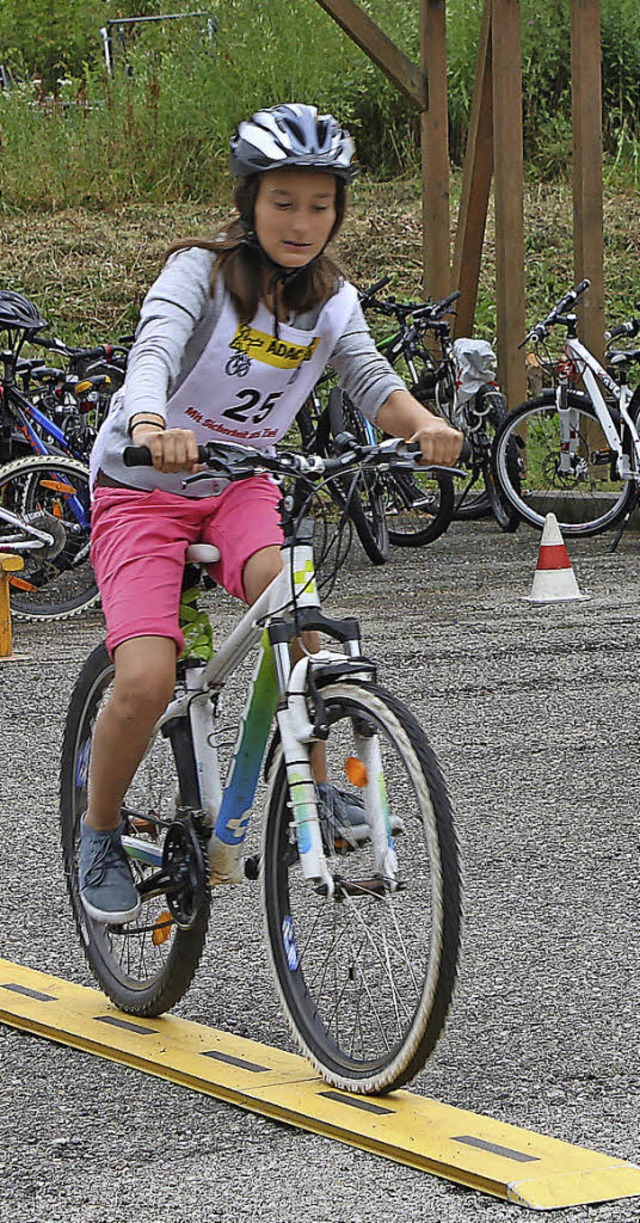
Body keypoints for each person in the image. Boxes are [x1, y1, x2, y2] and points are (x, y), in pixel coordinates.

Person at [81, 102, 463, 924]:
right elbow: (152, 350)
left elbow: (371, 382)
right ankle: (100, 829)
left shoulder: (331, 302)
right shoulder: (200, 273)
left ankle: (318, 795)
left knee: (301, 620)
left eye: (320, 204)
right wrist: (151, 424)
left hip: (242, 485)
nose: (301, 221)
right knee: (145, 680)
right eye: (283, 201)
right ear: (250, 199)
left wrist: (424, 425)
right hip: (144, 488)